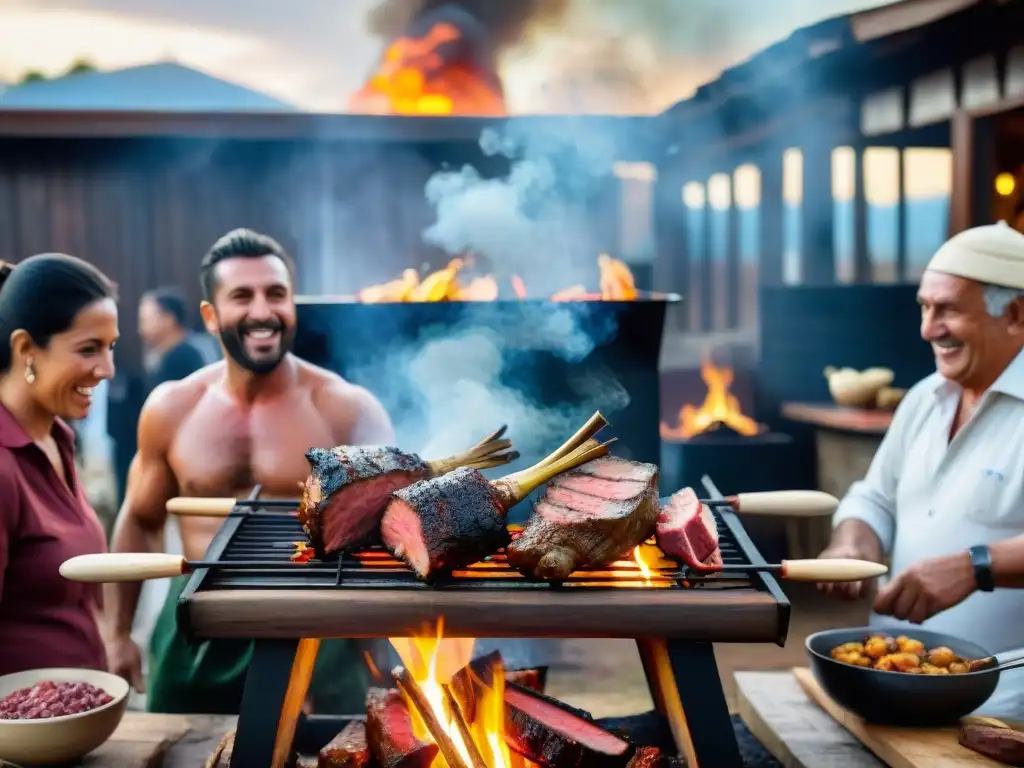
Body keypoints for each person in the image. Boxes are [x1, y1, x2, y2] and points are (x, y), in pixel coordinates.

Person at [103, 228, 394, 714]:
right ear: (210, 316)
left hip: (317, 627)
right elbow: (141, 519)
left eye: (276, 294)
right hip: (199, 624)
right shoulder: (172, 408)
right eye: (242, 296)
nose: (263, 312)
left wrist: (379, 648)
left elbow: (388, 534)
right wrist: (116, 633)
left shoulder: (346, 410)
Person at [818, 220, 1024, 717]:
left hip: (1008, 709)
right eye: (925, 307)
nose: (928, 329)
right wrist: (854, 539)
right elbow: (876, 496)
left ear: (1016, 314)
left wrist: (976, 566)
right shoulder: (924, 398)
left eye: (948, 310)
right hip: (891, 687)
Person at [0, 254, 119, 675]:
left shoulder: (56, 438)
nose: (107, 369)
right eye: (88, 349)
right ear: (25, 349)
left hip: (73, 724)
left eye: (111, 347)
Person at [138, 287, 207, 392]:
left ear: (169, 320)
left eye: (146, 320)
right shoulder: (161, 353)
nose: (141, 328)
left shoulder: (184, 356)